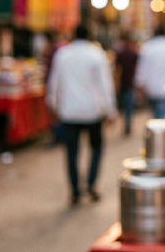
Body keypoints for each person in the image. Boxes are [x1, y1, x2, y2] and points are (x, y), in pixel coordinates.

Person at [46, 26, 117, 205]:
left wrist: (52, 104)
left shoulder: (63, 55)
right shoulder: (97, 54)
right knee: (97, 148)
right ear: (90, 36)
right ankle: (91, 183)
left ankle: (75, 190)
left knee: (71, 152)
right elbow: (105, 85)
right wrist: (111, 110)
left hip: (69, 111)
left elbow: (54, 82)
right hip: (92, 111)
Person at [115, 32, 138, 136]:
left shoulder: (121, 53)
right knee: (128, 106)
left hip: (123, 83)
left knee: (125, 106)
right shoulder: (133, 53)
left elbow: (116, 68)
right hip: (129, 83)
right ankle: (127, 124)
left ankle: (126, 124)